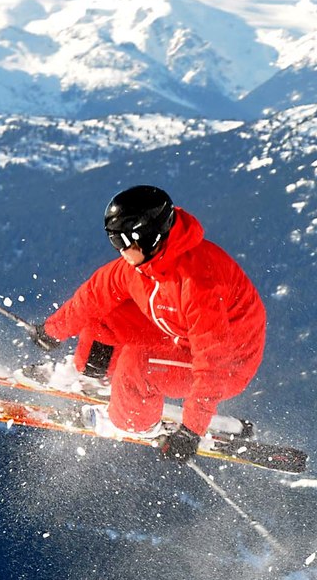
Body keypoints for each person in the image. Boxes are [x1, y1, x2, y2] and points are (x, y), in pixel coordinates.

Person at [29, 184, 266, 464]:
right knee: (104, 315)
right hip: (179, 334)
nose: (119, 250)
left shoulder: (198, 283)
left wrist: (191, 430)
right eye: (113, 240)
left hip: (228, 364)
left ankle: (133, 420)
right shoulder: (140, 266)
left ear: (149, 237)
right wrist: (52, 331)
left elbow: (212, 361)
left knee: (137, 364)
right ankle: (95, 377)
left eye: (123, 241)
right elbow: (92, 297)